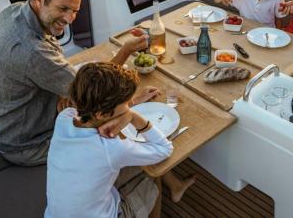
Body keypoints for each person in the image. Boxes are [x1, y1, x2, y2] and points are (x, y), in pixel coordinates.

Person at [0, 0, 148, 166]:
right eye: (63, 9)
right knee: (113, 129)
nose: (69, 19)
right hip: (27, 144)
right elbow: (95, 91)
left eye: (75, 11)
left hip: (10, 121)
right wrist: (126, 53)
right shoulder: (32, 52)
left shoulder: (13, 11)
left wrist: (63, 91)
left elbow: (44, 69)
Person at [46, 62, 195, 218]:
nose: (127, 107)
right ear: (101, 114)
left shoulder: (65, 117)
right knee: (152, 174)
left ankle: (176, 186)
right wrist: (132, 116)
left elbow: (95, 106)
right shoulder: (111, 148)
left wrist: (133, 102)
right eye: (124, 104)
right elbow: (165, 149)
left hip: (55, 213)